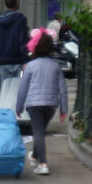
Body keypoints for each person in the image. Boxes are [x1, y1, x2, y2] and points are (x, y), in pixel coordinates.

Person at [15, 31, 68, 176]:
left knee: (38, 132)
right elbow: (62, 89)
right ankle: (34, 156)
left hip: (34, 104)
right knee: (40, 131)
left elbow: (23, 89)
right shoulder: (56, 65)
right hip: (51, 105)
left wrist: (18, 107)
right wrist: (64, 109)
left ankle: (43, 163)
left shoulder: (31, 66)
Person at [0, 0, 29, 86]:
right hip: (18, 61)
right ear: (16, 2)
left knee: (5, 90)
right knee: (17, 91)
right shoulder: (21, 19)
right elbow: (22, 40)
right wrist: (25, 60)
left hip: (3, 62)